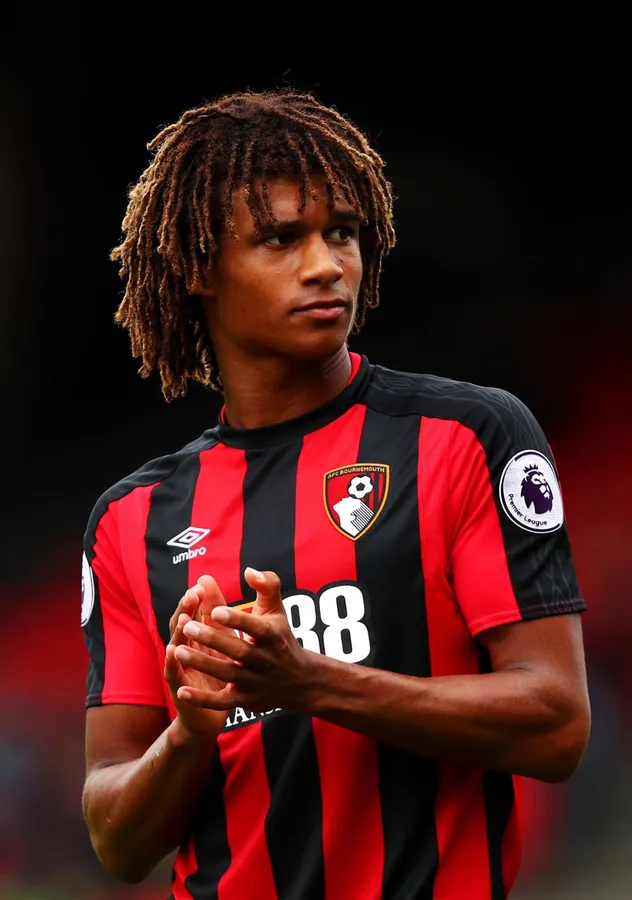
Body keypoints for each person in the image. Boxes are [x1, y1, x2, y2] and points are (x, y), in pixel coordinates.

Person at [80, 89, 590, 900]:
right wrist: (189, 733)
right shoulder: (132, 519)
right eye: (282, 238)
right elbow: (116, 839)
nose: (326, 265)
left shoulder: (466, 436)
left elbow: (558, 724)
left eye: (342, 233)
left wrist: (308, 681)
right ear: (198, 268)